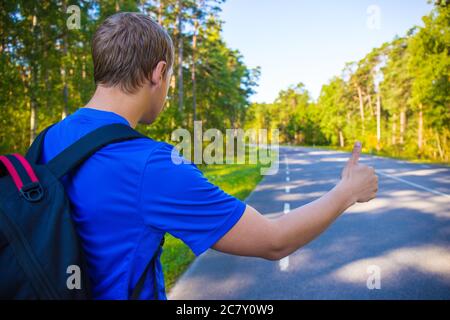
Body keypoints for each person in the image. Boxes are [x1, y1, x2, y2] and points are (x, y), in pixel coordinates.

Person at [40, 12, 378, 300]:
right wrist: (346, 191)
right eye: (170, 77)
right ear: (158, 73)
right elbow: (274, 241)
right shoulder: (152, 166)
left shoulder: (46, 141)